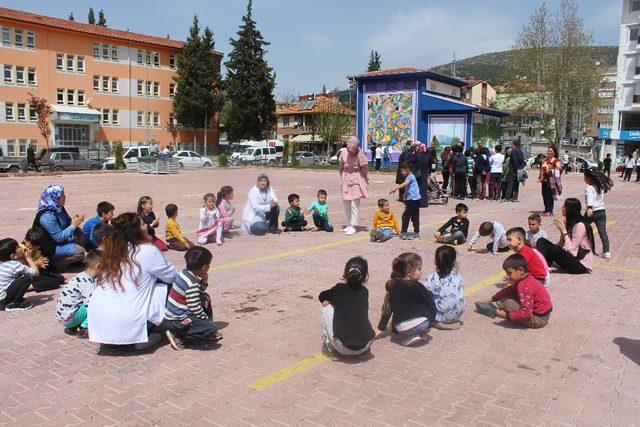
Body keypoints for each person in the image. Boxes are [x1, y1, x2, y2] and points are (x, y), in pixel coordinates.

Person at [89, 212, 178, 349]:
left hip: (99, 322)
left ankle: (116, 337)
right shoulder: (148, 251)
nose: (146, 227)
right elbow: (172, 276)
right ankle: (142, 337)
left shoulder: (110, 252)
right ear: (136, 231)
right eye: (143, 224)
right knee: (169, 286)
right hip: (127, 319)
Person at [164, 246, 223, 350]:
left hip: (174, 315)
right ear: (205, 267)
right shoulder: (192, 283)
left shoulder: (184, 273)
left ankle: (198, 328)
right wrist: (206, 321)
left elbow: (197, 293)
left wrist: (204, 281)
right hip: (179, 321)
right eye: (209, 264)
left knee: (205, 298)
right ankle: (178, 335)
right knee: (210, 329)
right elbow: (195, 307)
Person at [318, 256, 375, 360]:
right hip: (366, 344)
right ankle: (362, 352)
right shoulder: (365, 292)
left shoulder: (339, 289)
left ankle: (329, 346)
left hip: (343, 347)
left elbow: (321, 296)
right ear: (365, 277)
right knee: (362, 310)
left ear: (345, 273)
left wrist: (331, 299)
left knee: (326, 306)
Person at [475, 254, 552, 328]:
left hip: (538, 319)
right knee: (510, 295)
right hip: (541, 314)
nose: (508, 276)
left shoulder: (525, 287)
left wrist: (506, 316)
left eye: (509, 273)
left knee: (508, 303)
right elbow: (509, 290)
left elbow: (526, 313)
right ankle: (496, 305)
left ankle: (495, 311)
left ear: (521, 270)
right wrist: (493, 298)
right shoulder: (525, 278)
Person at [377, 252, 436, 347]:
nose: (421, 272)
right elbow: (431, 304)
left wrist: (381, 328)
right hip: (423, 323)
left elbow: (387, 311)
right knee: (424, 306)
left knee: (404, 321)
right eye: (419, 269)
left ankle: (412, 335)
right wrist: (430, 322)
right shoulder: (418, 286)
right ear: (408, 272)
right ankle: (418, 334)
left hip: (403, 327)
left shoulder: (392, 287)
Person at [33, 184, 86, 271]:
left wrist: (74, 221)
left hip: (57, 241)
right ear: (55, 197)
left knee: (78, 231)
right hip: (49, 246)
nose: (65, 197)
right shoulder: (47, 215)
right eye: (62, 195)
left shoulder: (58, 208)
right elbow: (58, 238)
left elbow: (67, 224)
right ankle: (55, 265)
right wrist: (73, 225)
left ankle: (73, 262)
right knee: (80, 252)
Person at [536, 198, 594, 274]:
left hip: (580, 265)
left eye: (564, 206)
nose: (561, 208)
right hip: (571, 259)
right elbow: (561, 245)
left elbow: (572, 250)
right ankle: (545, 265)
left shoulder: (580, 225)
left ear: (569, 210)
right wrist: (562, 232)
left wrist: (564, 231)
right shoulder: (570, 223)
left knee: (555, 248)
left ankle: (543, 266)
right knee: (542, 241)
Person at [55, 250, 101, 338]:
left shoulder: (82, 276)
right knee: (97, 301)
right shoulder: (87, 284)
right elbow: (91, 306)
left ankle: (74, 326)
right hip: (70, 319)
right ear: (99, 266)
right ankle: (83, 328)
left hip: (64, 316)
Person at [422, 245, 464, 330]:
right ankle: (451, 321)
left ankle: (438, 322)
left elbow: (424, 294)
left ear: (436, 260)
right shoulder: (458, 275)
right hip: (458, 314)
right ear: (454, 261)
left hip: (442, 316)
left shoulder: (433, 277)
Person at [0, 238, 42, 312]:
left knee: (20, 277)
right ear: (13, 256)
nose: (21, 247)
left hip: (2, 295)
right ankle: (14, 303)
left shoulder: (2, 264)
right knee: (28, 277)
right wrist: (28, 257)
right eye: (18, 247)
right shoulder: (15, 265)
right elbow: (36, 273)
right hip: (4, 296)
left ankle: (10, 301)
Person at [339, 137, 369, 236]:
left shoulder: (361, 154)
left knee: (354, 204)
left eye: (353, 151)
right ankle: (348, 223)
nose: (351, 152)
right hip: (346, 178)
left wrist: (365, 178)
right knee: (346, 202)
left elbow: (364, 168)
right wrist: (342, 177)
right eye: (349, 150)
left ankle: (353, 226)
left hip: (356, 178)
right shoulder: (343, 152)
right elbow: (341, 166)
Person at [584, 168, 613, 259]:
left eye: (584, 177)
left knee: (579, 226)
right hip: (602, 212)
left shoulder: (589, 188)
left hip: (592, 211)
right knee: (603, 232)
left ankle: (579, 246)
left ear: (588, 178)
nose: (584, 179)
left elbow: (590, 198)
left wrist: (589, 208)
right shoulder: (600, 186)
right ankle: (606, 252)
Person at [390, 162, 421, 240]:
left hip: (412, 201)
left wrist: (396, 188)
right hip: (416, 199)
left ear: (407, 170)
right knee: (415, 217)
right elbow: (409, 187)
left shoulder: (410, 176)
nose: (401, 172)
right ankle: (416, 233)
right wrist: (405, 194)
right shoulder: (411, 176)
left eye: (402, 170)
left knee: (406, 216)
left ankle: (403, 233)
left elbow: (405, 184)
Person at [538, 146, 563, 215]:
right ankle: (546, 209)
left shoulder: (555, 160)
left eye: (551, 151)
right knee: (544, 194)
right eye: (548, 151)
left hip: (551, 181)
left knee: (549, 195)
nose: (549, 152)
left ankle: (550, 210)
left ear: (554, 153)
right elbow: (542, 169)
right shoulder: (546, 160)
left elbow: (560, 168)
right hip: (544, 180)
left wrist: (553, 167)